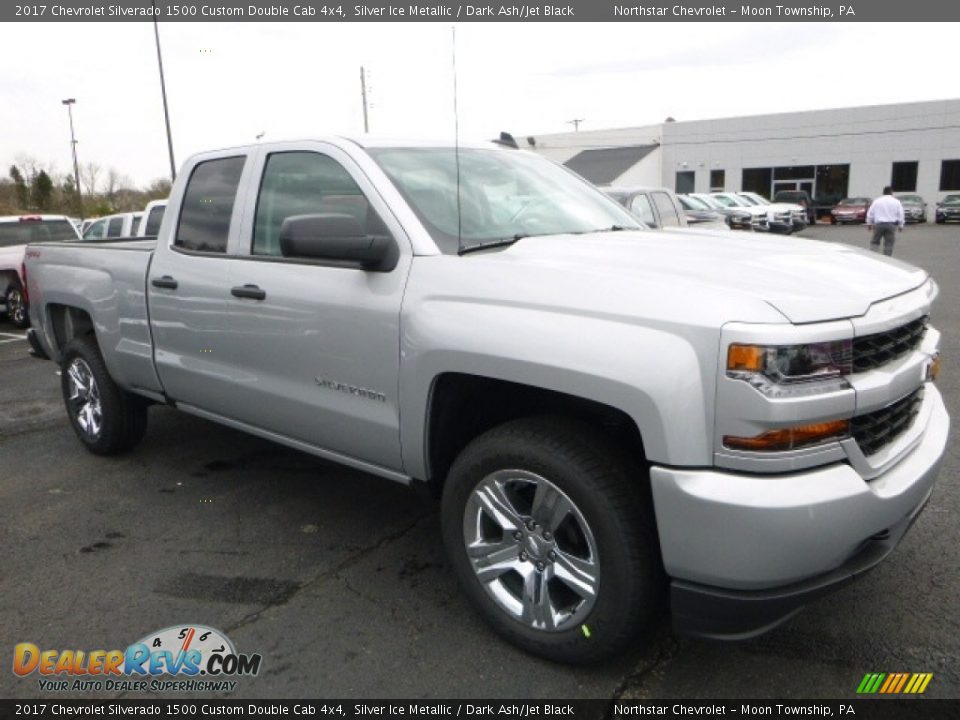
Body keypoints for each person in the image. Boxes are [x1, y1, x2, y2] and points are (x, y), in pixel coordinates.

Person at [866, 186, 905, 256]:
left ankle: (872, 256)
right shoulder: (896, 202)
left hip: (878, 225)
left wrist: (869, 223)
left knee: (875, 241)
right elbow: (901, 214)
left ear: (883, 192)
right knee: (889, 243)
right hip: (891, 225)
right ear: (891, 192)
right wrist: (901, 225)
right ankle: (887, 259)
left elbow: (870, 213)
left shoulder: (877, 201)